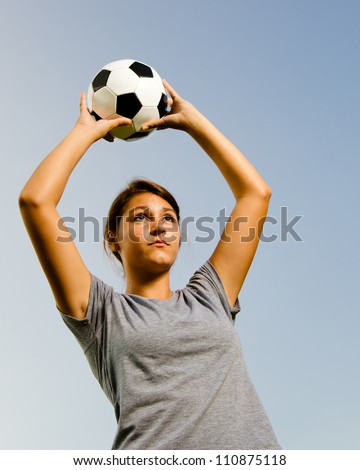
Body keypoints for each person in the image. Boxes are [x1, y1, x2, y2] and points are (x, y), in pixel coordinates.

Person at [19, 80, 280, 450]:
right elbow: (35, 202)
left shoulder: (210, 296)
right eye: (141, 217)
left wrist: (194, 123)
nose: (159, 225)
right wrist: (84, 133)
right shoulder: (101, 313)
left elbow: (256, 194)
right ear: (113, 237)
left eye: (169, 218)